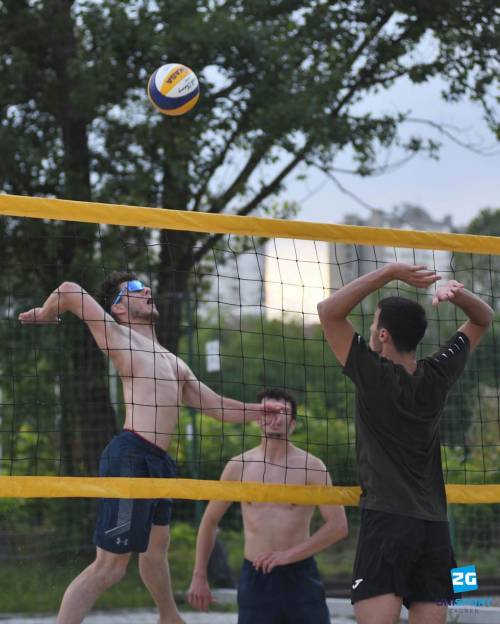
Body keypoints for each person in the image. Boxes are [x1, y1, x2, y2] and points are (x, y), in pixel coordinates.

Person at [19, 272, 282, 624]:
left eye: (145, 286)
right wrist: (48, 313)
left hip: (159, 461)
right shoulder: (119, 338)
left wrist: (257, 411)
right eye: (133, 289)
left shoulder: (173, 361)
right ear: (119, 308)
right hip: (130, 455)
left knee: (157, 551)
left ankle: (168, 617)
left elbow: (216, 406)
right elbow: (68, 290)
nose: (145, 290)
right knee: (110, 567)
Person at [316, 263, 494, 624]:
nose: (368, 330)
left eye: (372, 325)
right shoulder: (438, 374)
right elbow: (484, 318)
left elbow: (327, 311)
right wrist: (458, 294)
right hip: (434, 527)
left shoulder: (373, 374)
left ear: (383, 335)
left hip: (387, 521)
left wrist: (392, 271)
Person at [187, 387, 348, 624]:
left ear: (292, 424)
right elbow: (210, 521)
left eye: (281, 411)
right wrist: (199, 575)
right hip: (256, 576)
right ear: (256, 420)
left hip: (299, 574)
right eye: (268, 411)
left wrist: (287, 556)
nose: (274, 417)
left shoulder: (312, 467)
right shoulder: (238, 466)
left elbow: (338, 526)